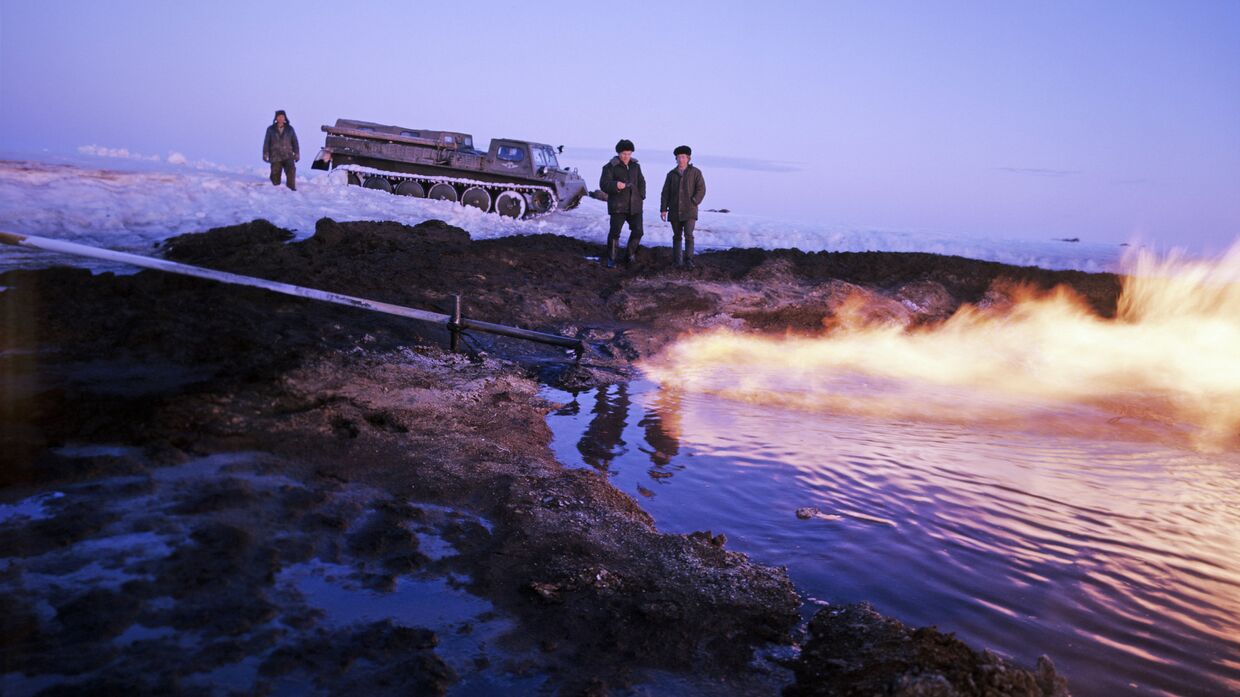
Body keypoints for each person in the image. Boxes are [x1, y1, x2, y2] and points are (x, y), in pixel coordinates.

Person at [598, 139, 647, 268]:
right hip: (618, 206)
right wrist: (616, 185)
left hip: (635, 206)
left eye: (629, 153)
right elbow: (604, 184)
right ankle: (612, 258)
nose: (626, 156)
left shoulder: (636, 166)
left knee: (638, 231)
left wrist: (641, 195)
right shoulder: (609, 167)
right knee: (615, 233)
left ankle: (629, 255)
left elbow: (641, 181)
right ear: (619, 153)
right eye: (624, 154)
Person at [660, 145, 706, 269]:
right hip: (674, 210)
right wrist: (663, 209)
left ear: (688, 158)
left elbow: (701, 189)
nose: (681, 159)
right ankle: (677, 261)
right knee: (677, 236)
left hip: (690, 210)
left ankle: (689, 260)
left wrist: (695, 201)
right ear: (676, 158)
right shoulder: (671, 174)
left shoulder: (695, 172)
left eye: (683, 157)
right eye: (679, 157)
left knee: (689, 235)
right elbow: (665, 193)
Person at [262, 110, 300, 190]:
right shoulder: (270, 129)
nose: (280, 118)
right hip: (275, 156)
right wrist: (265, 153)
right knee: (275, 178)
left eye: (282, 117)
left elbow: (295, 142)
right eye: (279, 117)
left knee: (291, 171)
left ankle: (291, 189)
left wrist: (297, 153)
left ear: (285, 118)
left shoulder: (290, 129)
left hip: (288, 155)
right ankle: (276, 192)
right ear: (276, 118)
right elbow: (266, 142)